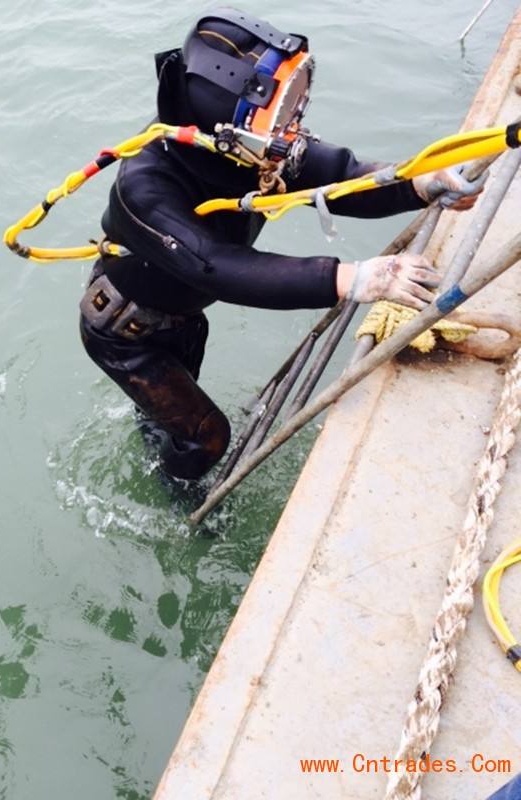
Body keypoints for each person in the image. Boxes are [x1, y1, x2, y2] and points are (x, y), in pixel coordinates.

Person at [79, 8, 485, 481]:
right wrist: (352, 278)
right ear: (229, 118)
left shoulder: (252, 147)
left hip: (182, 317)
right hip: (125, 334)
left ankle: (157, 440)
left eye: (294, 102)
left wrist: (418, 184)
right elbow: (218, 266)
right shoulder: (144, 187)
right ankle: (176, 503)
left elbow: (340, 176)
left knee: (169, 416)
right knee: (208, 437)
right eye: (282, 111)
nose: (293, 125)